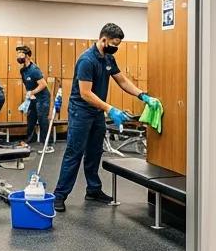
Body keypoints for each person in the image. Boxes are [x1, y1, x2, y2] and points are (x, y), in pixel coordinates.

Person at [53, 23, 160, 213]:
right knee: (74, 152)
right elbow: (85, 93)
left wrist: (142, 95)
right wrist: (110, 109)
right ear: (103, 39)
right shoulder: (87, 60)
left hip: (97, 112)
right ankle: (59, 195)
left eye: (117, 45)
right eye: (113, 43)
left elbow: (122, 80)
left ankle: (93, 190)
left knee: (95, 152)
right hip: (81, 112)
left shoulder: (108, 58)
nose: (115, 48)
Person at [16, 44, 51, 147]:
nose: (18, 56)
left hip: (42, 98)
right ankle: (31, 139)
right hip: (33, 98)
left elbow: (43, 84)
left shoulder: (34, 69)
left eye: (20, 54)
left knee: (42, 119)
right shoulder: (23, 70)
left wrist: (32, 92)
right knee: (31, 118)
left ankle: (46, 143)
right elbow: (27, 85)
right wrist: (28, 95)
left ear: (27, 56)